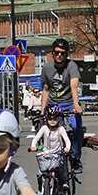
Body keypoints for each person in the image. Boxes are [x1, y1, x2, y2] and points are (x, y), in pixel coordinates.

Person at [40, 37, 83, 167]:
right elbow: (46, 89)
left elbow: (74, 86)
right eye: (57, 52)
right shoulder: (47, 68)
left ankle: (75, 157)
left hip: (69, 103)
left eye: (63, 53)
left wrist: (76, 105)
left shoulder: (71, 66)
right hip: (53, 105)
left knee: (76, 128)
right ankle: (50, 157)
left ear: (66, 54)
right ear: (52, 53)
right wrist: (42, 109)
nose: (59, 55)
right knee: (49, 132)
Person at [29, 104, 71, 195]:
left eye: (55, 119)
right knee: (40, 173)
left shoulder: (61, 129)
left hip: (58, 153)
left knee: (61, 169)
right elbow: (36, 138)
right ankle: (41, 187)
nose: (52, 121)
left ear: (58, 119)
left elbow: (67, 140)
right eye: (50, 119)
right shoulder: (44, 128)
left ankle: (63, 183)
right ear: (46, 119)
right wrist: (33, 146)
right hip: (46, 153)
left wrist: (67, 147)